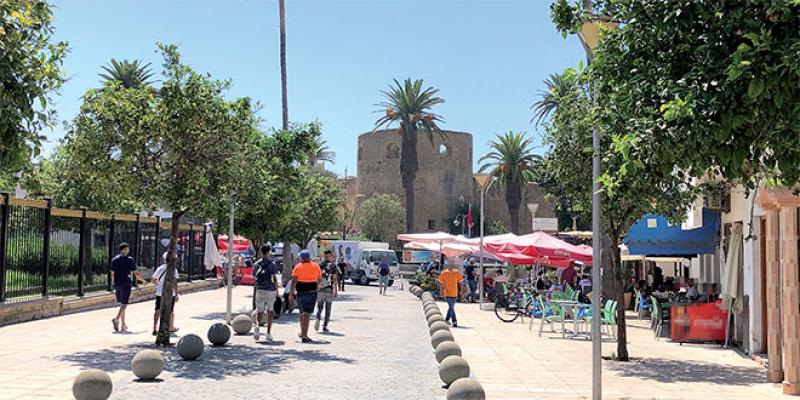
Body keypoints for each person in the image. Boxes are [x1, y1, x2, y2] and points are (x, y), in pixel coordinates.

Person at [110, 243, 146, 332]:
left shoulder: (115, 259)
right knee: (124, 304)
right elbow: (136, 273)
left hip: (117, 283)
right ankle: (116, 319)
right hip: (126, 282)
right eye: (126, 249)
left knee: (122, 303)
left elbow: (112, 273)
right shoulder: (130, 260)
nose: (127, 250)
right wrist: (143, 281)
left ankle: (123, 324)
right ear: (122, 250)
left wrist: (113, 282)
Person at [290, 250, 322, 343]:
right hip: (312, 291)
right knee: (306, 313)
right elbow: (319, 279)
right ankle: (304, 334)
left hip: (300, 291)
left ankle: (303, 332)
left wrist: (292, 292)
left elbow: (294, 281)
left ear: (301, 258)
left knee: (302, 312)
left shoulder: (298, 266)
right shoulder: (316, 266)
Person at [253, 245, 280, 341]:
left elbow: (255, 278)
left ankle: (257, 326)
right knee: (270, 311)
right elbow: (275, 279)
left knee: (259, 310)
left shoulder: (256, 264)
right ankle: (268, 333)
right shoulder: (272, 264)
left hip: (260, 289)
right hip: (270, 290)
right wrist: (277, 291)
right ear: (268, 252)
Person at [152, 252, 179, 336]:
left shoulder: (160, 268)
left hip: (160, 292)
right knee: (170, 310)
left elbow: (153, 279)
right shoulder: (174, 270)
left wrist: (158, 284)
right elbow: (175, 282)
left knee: (157, 310)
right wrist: (177, 293)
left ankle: (155, 328)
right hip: (171, 293)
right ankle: (170, 327)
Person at [315, 250, 339, 332]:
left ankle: (318, 318)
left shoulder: (319, 265)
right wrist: (336, 290)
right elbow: (334, 278)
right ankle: (325, 326)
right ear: (330, 256)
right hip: (329, 289)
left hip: (321, 289)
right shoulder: (333, 266)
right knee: (328, 309)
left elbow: (316, 278)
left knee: (319, 307)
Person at [438, 261, 464, 327]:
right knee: (451, 307)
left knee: (451, 307)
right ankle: (454, 321)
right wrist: (441, 291)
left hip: (455, 292)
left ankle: (446, 319)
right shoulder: (444, 273)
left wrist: (461, 291)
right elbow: (441, 284)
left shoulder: (456, 272)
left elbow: (460, 282)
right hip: (447, 292)